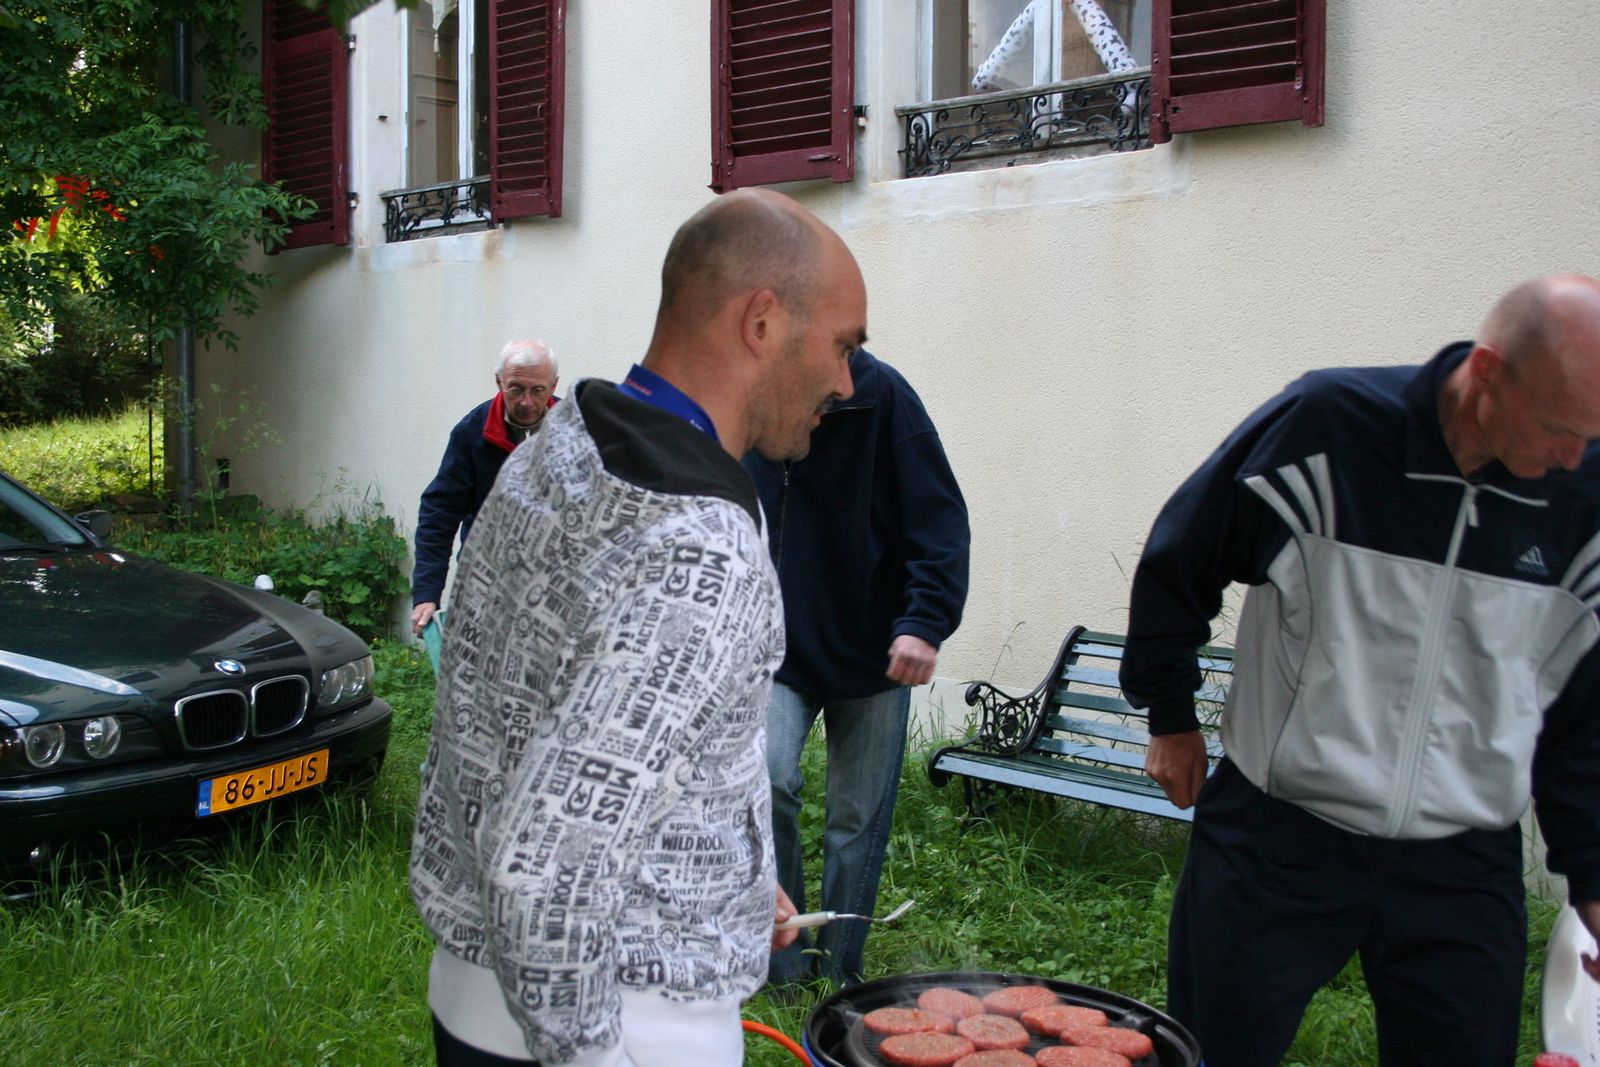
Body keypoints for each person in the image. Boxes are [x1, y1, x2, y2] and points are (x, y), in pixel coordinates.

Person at [410, 187, 868, 1067]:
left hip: (472, 996)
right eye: (844, 346)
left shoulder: (560, 445)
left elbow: (561, 726)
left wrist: (725, 871)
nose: (846, 382)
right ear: (763, 322)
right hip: (621, 1024)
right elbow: (542, 873)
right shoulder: (699, 544)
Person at [1119, 275, 1600, 1066]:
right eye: (1558, 428)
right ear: (1486, 372)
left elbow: (1584, 712)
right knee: (1212, 1052)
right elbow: (1183, 557)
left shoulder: (1583, 498)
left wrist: (1592, 876)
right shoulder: (1327, 427)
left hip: (1462, 859)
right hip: (1278, 833)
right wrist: (1170, 714)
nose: (1574, 457)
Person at [743, 349, 969, 988]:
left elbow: (940, 521)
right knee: (767, 783)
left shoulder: (882, 396)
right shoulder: (750, 392)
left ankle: (839, 973)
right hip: (777, 649)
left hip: (874, 652)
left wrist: (923, 621)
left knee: (856, 821)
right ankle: (785, 964)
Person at [411, 339, 560, 636]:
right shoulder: (472, 432)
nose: (526, 402)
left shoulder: (576, 429)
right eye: (516, 389)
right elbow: (439, 513)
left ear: (553, 386)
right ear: (499, 382)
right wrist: (427, 592)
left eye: (537, 390)